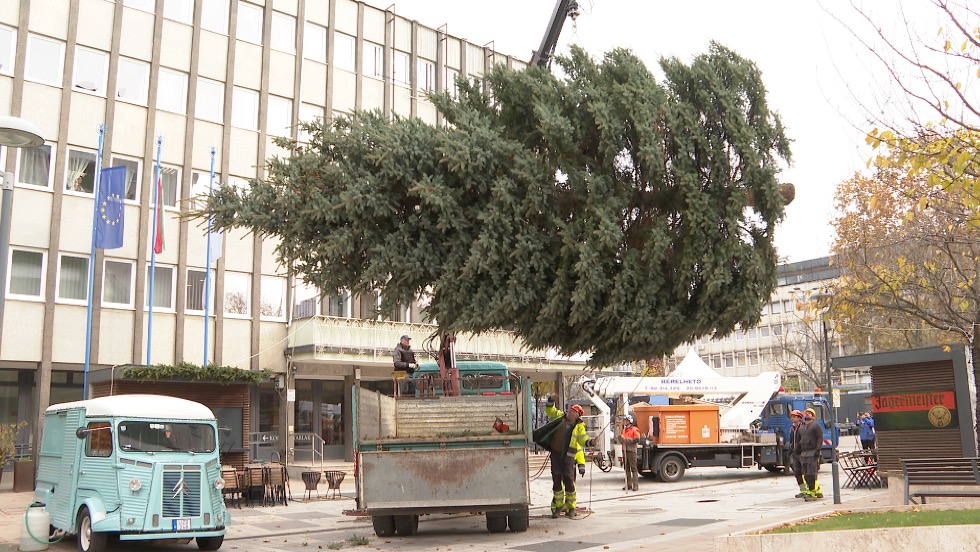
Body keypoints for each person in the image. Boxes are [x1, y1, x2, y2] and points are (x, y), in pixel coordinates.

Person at [544, 397, 591, 519]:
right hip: (556, 456)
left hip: (568, 459)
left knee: (569, 483)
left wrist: (590, 443)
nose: (571, 412)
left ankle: (571, 507)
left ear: (578, 415)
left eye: (574, 412)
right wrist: (551, 400)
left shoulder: (579, 426)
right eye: (571, 410)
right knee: (557, 482)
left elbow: (582, 441)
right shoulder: (559, 417)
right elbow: (550, 410)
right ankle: (557, 507)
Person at [799, 407, 825, 501]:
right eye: (806, 413)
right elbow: (799, 440)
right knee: (805, 474)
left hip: (813, 453)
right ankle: (812, 491)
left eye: (810, 413)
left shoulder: (816, 426)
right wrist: (796, 451)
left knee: (811, 474)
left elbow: (820, 438)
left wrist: (817, 450)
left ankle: (813, 492)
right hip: (803, 454)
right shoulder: (801, 428)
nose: (807, 414)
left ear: (813, 417)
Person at [614, 414, 641, 491]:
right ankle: (628, 484)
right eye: (624, 420)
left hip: (631, 451)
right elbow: (622, 440)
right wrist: (620, 438)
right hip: (624, 450)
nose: (624, 422)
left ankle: (635, 485)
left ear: (630, 421)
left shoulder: (634, 429)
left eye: (626, 420)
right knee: (626, 469)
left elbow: (636, 440)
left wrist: (626, 440)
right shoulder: (624, 430)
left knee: (633, 468)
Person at [788, 409, 807, 498]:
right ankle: (803, 490)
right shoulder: (792, 428)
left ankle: (809, 490)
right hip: (795, 453)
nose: (792, 418)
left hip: (802, 453)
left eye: (794, 417)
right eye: (792, 416)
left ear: (799, 418)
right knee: (797, 473)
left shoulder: (803, 427)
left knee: (805, 472)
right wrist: (791, 448)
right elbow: (792, 440)